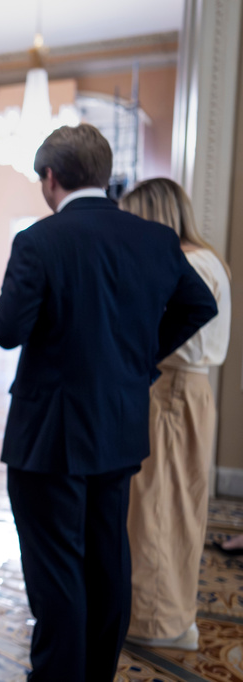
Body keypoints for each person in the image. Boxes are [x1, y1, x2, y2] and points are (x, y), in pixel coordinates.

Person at [0, 124, 218, 681]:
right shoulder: (154, 240)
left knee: (56, 572)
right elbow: (199, 306)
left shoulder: (39, 241)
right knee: (107, 557)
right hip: (118, 427)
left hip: (48, 436)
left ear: (50, 177)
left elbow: (5, 331)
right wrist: (139, 361)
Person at [118, 178, 232, 650]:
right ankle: (171, 614)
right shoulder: (208, 259)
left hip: (171, 392)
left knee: (157, 507)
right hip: (190, 392)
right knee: (179, 506)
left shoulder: (189, 263)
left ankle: (154, 621)